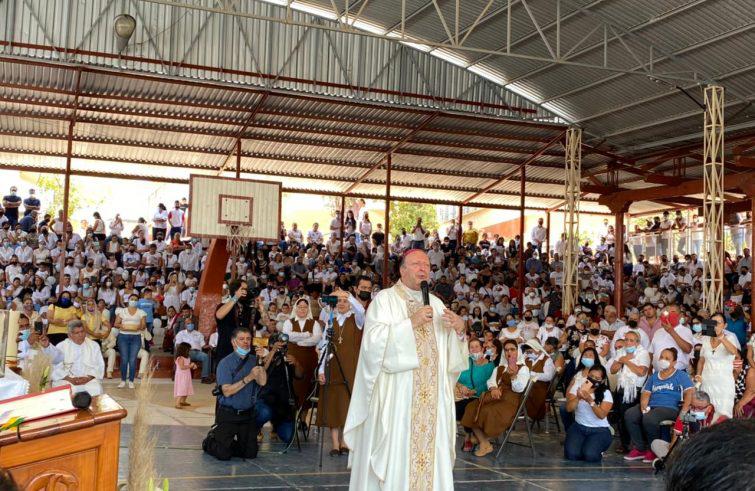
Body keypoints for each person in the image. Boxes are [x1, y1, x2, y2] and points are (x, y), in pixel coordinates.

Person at [344, 249, 468, 490]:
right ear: (402, 270)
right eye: (416, 264)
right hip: (398, 396)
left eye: (426, 265)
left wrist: (460, 330)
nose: (423, 268)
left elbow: (450, 356)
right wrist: (411, 323)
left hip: (432, 399)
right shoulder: (385, 300)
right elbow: (372, 344)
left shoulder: (437, 303)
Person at [205, 328, 267, 461]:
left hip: (247, 414)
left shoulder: (253, 360)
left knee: (250, 453)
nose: (246, 342)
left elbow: (262, 382)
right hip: (229, 413)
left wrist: (261, 361)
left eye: (248, 339)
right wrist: (249, 377)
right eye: (242, 339)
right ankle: (210, 441)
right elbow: (226, 391)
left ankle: (232, 443)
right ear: (234, 342)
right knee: (223, 454)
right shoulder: (225, 363)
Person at [624, 348, 694, 463]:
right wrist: (643, 406)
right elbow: (646, 393)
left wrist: (683, 412)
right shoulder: (654, 376)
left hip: (671, 408)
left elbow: (689, 393)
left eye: (667, 358)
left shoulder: (681, 375)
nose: (663, 360)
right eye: (661, 357)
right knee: (630, 414)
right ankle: (640, 448)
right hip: (652, 406)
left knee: (650, 417)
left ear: (674, 362)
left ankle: (653, 450)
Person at [461, 339, 529, 457]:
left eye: (512, 349)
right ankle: (484, 442)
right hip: (495, 396)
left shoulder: (523, 369)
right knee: (472, 407)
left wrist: (513, 376)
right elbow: (491, 380)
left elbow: (519, 389)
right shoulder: (500, 367)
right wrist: (493, 388)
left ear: (517, 351)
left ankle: (481, 439)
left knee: (488, 411)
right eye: (507, 350)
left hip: (510, 400)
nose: (509, 352)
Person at [317, 289, 364, 456]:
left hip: (350, 368)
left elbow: (362, 310)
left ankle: (345, 441)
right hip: (333, 367)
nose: (342, 303)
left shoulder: (356, 319)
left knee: (347, 404)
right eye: (339, 301)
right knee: (334, 405)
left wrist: (347, 294)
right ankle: (335, 444)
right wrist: (321, 370)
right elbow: (323, 346)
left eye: (345, 301)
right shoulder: (331, 321)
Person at [663, 419, 755, 491]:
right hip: (691, 451)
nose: (696, 410)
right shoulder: (686, 416)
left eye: (699, 407)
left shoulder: (717, 417)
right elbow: (676, 436)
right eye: (694, 407)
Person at [255, 334, 303, 444]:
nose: (281, 347)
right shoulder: (265, 357)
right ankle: (256, 428)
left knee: (288, 437)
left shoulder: (289, 359)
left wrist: (296, 363)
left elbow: (300, 375)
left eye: (284, 345)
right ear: (271, 345)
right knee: (264, 413)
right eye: (278, 345)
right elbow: (263, 370)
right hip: (267, 400)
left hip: (284, 404)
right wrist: (273, 352)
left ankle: (276, 427)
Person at [610, 330, 651, 453]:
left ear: (638, 342)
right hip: (622, 389)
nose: (628, 343)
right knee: (621, 418)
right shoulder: (621, 352)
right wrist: (621, 360)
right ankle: (625, 444)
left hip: (637, 391)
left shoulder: (643, 354)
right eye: (626, 339)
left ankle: (640, 444)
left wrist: (626, 360)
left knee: (635, 418)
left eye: (631, 340)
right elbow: (613, 370)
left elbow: (641, 371)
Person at [564, 364, 613, 463]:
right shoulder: (578, 387)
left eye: (597, 378)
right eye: (591, 376)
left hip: (599, 430)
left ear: (602, 380)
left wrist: (590, 401)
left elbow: (602, 415)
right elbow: (568, 409)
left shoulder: (606, 392)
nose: (593, 379)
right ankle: (585, 446)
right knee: (571, 455)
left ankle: (597, 448)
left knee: (590, 456)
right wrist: (578, 398)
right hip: (579, 427)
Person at [281, 298, 321, 415]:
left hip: (309, 360)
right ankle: (292, 417)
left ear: (308, 309)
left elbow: (316, 338)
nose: (302, 309)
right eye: (300, 307)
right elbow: (287, 336)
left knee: (307, 388)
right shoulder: (289, 322)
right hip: (292, 358)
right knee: (293, 387)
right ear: (295, 308)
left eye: (304, 307)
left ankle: (303, 419)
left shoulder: (315, 323)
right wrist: (306, 335)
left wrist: (299, 341)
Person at [696, 312, 739, 418]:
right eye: (713, 322)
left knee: (722, 416)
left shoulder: (730, 337)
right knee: (705, 415)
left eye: (719, 323)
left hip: (723, 385)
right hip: (707, 382)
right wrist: (698, 375)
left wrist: (721, 337)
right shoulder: (705, 338)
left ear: (725, 325)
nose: (715, 325)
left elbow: (734, 351)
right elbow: (702, 360)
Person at [455, 338, 495, 453]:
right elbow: (456, 378)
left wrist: (474, 391)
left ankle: (470, 437)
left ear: (482, 348)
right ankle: (471, 436)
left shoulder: (489, 365)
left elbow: (487, 383)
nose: (474, 349)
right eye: (471, 347)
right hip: (462, 395)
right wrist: (460, 386)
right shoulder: (465, 362)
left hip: (479, 396)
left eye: (477, 346)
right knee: (457, 406)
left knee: (467, 408)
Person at [51, 320, 106, 396]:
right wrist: (70, 379)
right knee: (61, 390)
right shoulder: (61, 346)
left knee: (96, 388)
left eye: (82, 331)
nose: (81, 334)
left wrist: (88, 378)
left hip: (88, 378)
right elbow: (55, 367)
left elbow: (99, 365)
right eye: (77, 333)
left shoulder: (93, 345)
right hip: (67, 379)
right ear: (70, 335)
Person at [113, 294, 147, 389]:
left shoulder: (141, 312)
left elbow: (143, 325)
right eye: (132, 299)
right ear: (128, 300)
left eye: (136, 299)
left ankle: (131, 381)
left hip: (136, 338)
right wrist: (122, 326)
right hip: (123, 337)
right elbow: (116, 324)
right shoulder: (122, 311)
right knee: (124, 359)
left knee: (132, 360)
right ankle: (123, 380)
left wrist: (138, 327)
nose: (134, 301)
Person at [215, 279, 249, 362]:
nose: (245, 292)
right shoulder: (224, 306)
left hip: (244, 354)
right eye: (242, 289)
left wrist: (262, 308)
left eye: (246, 290)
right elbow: (219, 315)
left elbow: (265, 323)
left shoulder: (248, 310)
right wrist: (235, 297)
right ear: (235, 290)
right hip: (226, 352)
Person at [175, 319, 213, 383]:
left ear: (194, 325)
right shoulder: (181, 333)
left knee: (206, 356)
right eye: (188, 323)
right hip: (186, 352)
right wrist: (183, 351)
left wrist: (210, 346)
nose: (190, 325)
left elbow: (203, 345)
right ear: (185, 325)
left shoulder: (199, 334)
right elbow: (178, 345)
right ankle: (182, 377)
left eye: (191, 323)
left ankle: (205, 377)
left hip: (198, 352)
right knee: (185, 356)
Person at [174, 342, 196, 409]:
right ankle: (177, 403)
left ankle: (183, 401)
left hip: (186, 375)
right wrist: (190, 366)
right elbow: (182, 367)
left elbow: (188, 364)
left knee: (186, 387)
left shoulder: (187, 357)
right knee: (182, 388)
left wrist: (193, 365)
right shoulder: (180, 358)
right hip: (182, 376)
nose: (189, 351)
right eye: (188, 350)